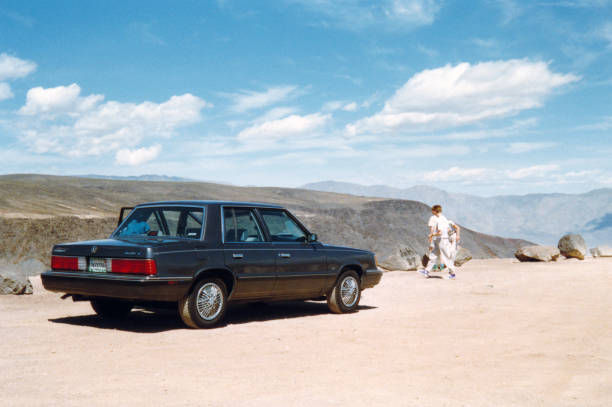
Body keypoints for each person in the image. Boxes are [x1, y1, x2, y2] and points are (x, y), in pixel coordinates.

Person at [418, 204, 460, 279]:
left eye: (432, 211)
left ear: (435, 211)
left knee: (446, 256)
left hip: (443, 239)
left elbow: (440, 232)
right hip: (438, 239)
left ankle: (452, 273)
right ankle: (427, 271)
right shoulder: (441, 218)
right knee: (433, 255)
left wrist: (431, 235)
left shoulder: (441, 219)